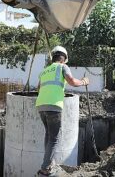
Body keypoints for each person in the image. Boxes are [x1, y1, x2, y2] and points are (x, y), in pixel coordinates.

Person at [36, 46, 89, 176]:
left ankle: (49, 162)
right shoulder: (62, 67)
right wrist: (83, 81)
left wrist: (57, 92)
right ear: (64, 59)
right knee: (54, 138)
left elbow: (39, 88)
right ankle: (46, 167)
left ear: (52, 57)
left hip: (41, 106)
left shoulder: (45, 71)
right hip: (54, 106)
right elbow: (72, 81)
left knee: (49, 135)